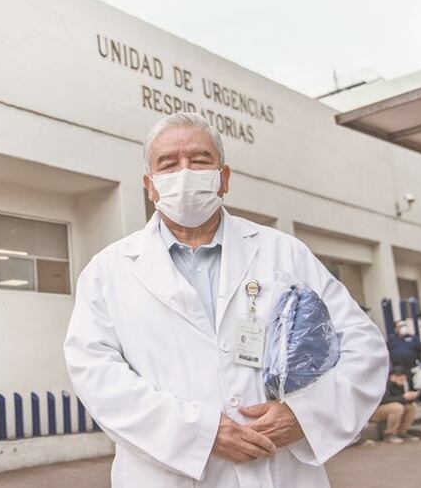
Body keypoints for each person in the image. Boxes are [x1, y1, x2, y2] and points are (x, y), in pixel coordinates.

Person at [62, 112, 389, 488]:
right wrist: (201, 434)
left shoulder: (284, 253)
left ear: (224, 178)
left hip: (281, 472)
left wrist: (304, 415)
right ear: (150, 186)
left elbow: (363, 348)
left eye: (200, 160)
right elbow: (95, 375)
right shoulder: (107, 272)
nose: (184, 173)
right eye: (168, 164)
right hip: (169, 475)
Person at [369, 368, 421, 443]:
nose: (403, 382)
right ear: (392, 377)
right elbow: (382, 400)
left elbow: (400, 399)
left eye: (404, 380)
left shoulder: (399, 384)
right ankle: (389, 434)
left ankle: (401, 432)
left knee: (411, 407)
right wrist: (403, 397)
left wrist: (411, 397)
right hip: (374, 411)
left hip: (388, 408)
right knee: (397, 407)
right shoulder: (383, 384)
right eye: (401, 379)